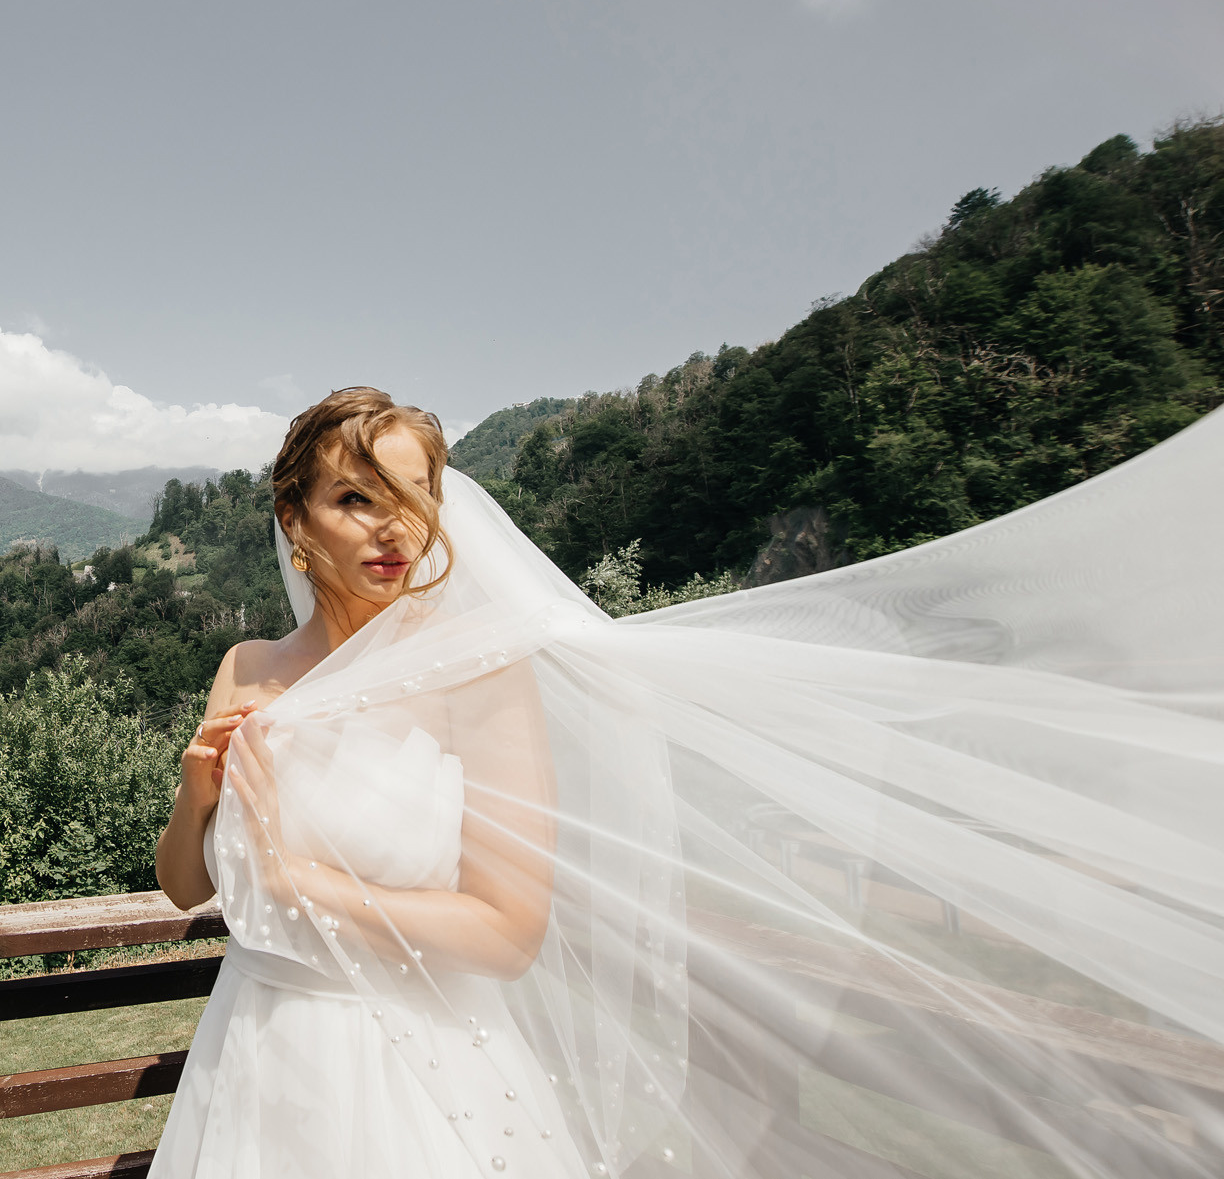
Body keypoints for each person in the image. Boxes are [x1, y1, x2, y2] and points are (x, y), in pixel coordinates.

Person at [149, 386, 1224, 1179]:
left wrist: (303, 884)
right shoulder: (249, 669)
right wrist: (200, 798)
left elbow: (508, 927)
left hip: (408, 1067)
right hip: (256, 1044)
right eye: (354, 496)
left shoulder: (475, 675)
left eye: (415, 496)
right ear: (293, 520)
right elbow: (186, 887)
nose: (392, 526)